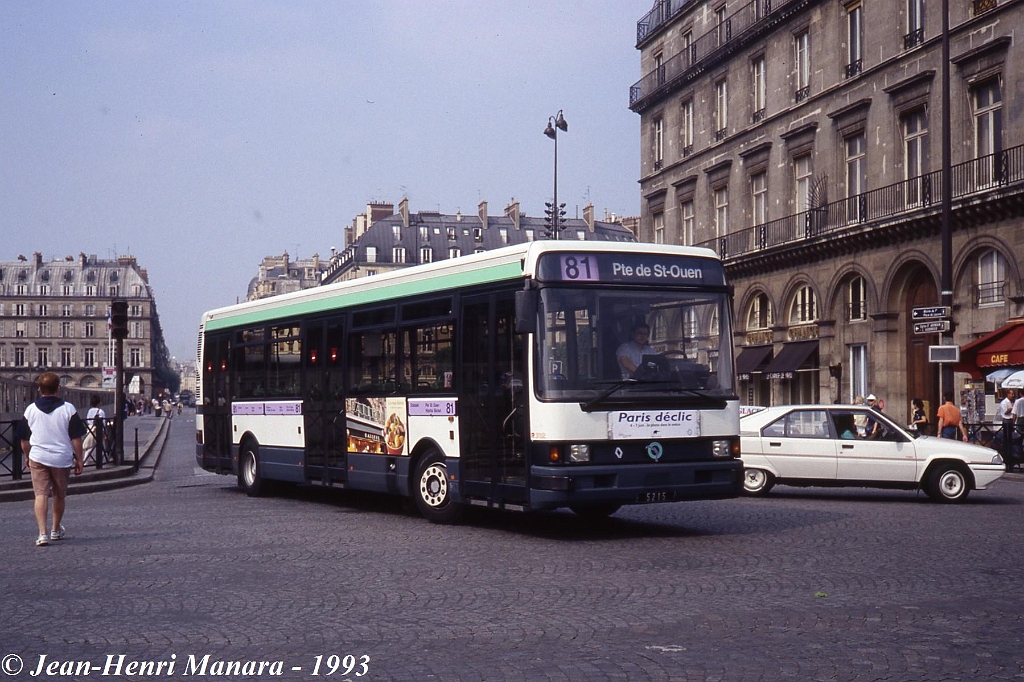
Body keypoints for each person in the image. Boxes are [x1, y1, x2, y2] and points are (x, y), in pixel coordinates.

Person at [18, 373, 86, 547]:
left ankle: (42, 533)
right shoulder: (68, 409)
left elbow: (24, 440)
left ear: (39, 389)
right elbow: (76, 438)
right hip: (61, 458)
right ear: (58, 388)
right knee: (59, 495)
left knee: (40, 494)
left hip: (38, 456)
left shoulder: (30, 409)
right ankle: (55, 530)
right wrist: (80, 459)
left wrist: (27, 455)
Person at [83, 395, 106, 465]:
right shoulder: (101, 411)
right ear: (98, 403)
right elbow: (103, 422)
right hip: (98, 430)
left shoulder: (89, 411)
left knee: (90, 445)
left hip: (90, 429)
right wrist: (104, 432)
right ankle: (100, 460)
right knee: (99, 445)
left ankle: (87, 460)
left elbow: (88, 420)